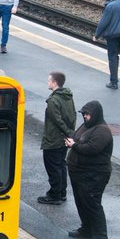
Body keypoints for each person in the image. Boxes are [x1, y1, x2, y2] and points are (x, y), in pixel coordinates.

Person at [65, 100, 113, 239]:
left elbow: (92, 148)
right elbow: (76, 136)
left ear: (95, 114)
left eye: (87, 114)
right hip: (79, 172)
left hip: (94, 174)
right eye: (84, 114)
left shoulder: (102, 131)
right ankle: (86, 228)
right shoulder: (86, 126)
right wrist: (71, 140)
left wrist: (74, 145)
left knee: (92, 203)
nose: (85, 117)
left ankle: (100, 236)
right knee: (81, 201)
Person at [38, 71, 76, 206]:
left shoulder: (54, 100)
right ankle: (62, 193)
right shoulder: (68, 97)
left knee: (53, 167)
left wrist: (67, 133)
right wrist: (70, 133)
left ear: (54, 83)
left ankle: (55, 195)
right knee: (61, 166)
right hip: (63, 140)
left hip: (53, 139)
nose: (47, 82)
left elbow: (56, 120)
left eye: (49, 80)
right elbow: (73, 115)